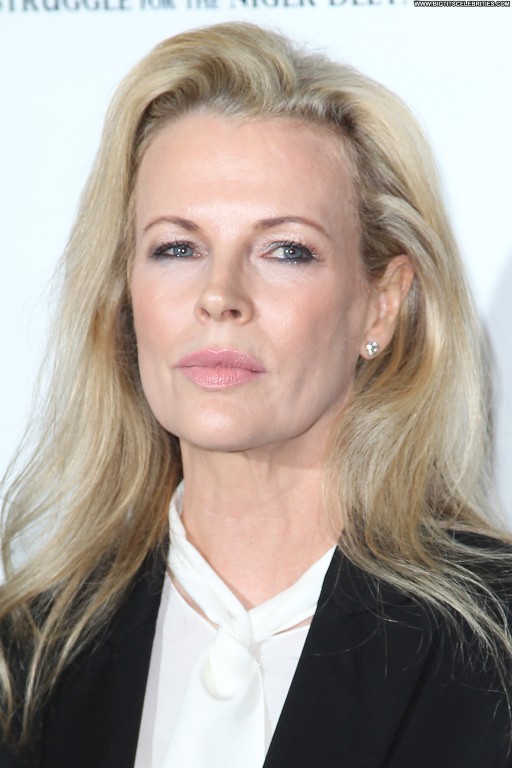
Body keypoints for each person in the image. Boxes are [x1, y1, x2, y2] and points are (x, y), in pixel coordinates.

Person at [1, 21, 511, 768]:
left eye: (285, 250)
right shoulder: (25, 658)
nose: (219, 296)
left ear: (381, 304)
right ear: (125, 295)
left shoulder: (495, 651)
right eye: (177, 247)